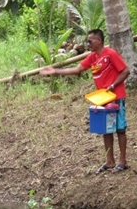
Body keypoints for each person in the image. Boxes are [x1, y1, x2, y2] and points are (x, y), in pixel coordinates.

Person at [40, 29, 130, 174]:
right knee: (106, 129)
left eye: (90, 41)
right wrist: (55, 71)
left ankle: (122, 161)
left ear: (99, 41)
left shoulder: (110, 54)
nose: (88, 43)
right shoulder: (92, 57)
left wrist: (113, 85)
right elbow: (77, 70)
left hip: (116, 96)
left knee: (120, 129)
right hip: (102, 98)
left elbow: (126, 71)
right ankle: (109, 160)